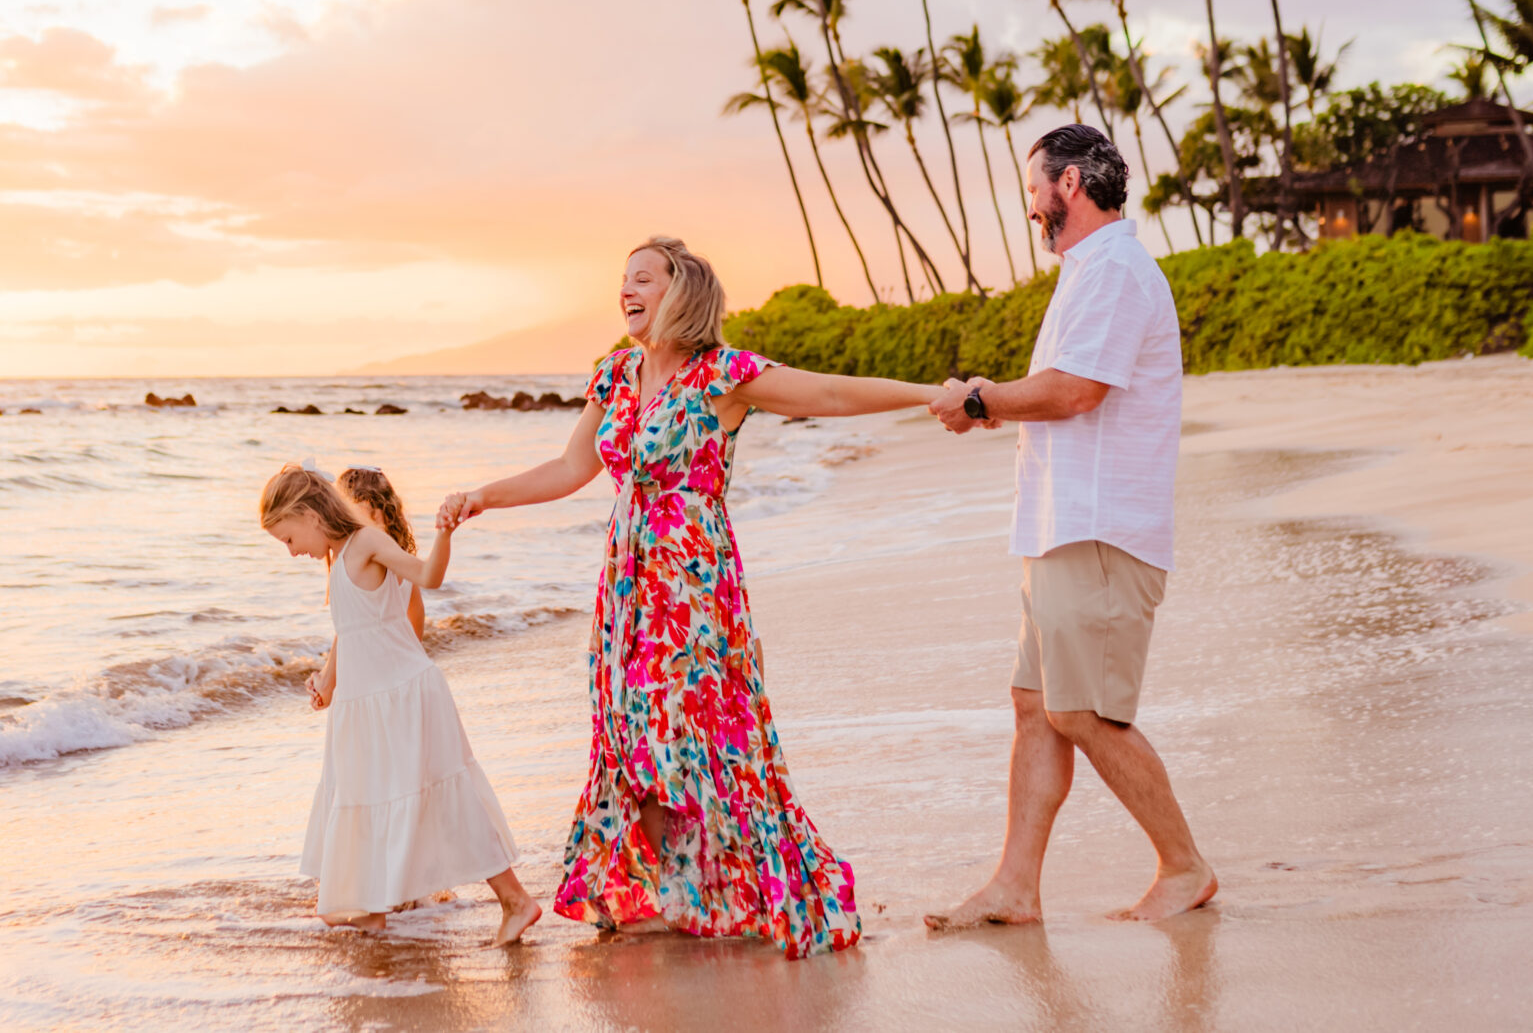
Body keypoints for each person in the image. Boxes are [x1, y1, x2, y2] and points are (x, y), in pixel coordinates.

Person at [436, 235, 960, 958]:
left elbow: (830, 392)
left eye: (642, 277)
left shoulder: (724, 374)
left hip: (692, 581)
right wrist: (482, 496)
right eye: (622, 278)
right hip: (626, 583)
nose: (626, 288)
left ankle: (712, 890)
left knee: (688, 734)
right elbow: (568, 467)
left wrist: (931, 393)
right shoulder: (615, 375)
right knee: (630, 736)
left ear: (679, 289)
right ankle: (656, 894)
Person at [923, 124, 1218, 928]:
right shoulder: (1090, 270)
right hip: (1059, 527)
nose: (1030, 207)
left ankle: (1184, 864)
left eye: (1034, 189)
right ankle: (1016, 885)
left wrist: (981, 397)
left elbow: (1078, 389)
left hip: (1100, 528)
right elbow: (1064, 388)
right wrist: (989, 406)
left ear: (1074, 182)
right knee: (1035, 704)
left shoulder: (1117, 268)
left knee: (1082, 711)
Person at [258, 464, 541, 946]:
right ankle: (370, 910)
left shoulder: (366, 542)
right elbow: (350, 630)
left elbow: (429, 575)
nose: (290, 552)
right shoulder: (339, 557)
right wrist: (326, 681)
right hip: (365, 705)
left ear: (309, 514)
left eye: (287, 538)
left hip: (405, 696)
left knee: (445, 802)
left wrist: (445, 532)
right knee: (364, 796)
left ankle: (517, 902)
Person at [332, 466, 427, 643]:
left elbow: (346, 628)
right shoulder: (403, 560)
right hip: (398, 660)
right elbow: (416, 619)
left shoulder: (353, 562)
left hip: (372, 662)